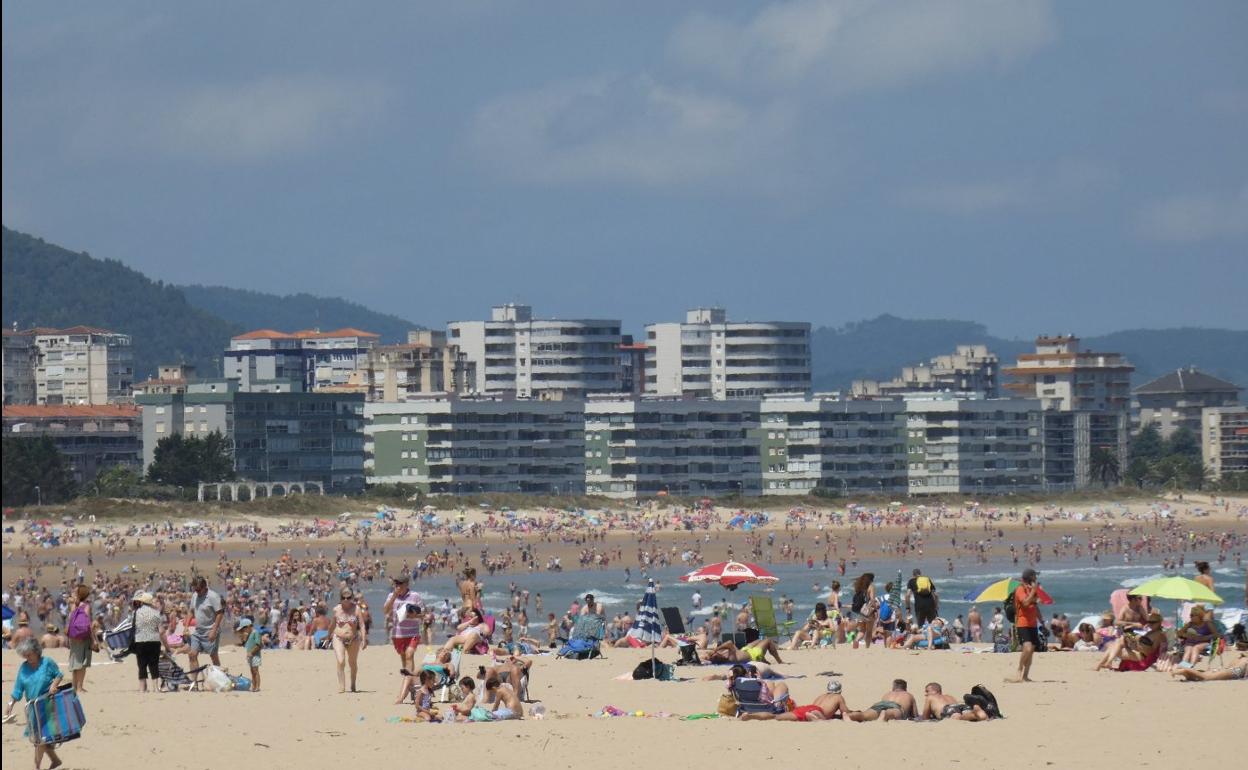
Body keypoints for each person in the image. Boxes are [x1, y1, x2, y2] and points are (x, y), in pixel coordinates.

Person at [3, 637, 66, 769]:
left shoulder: (47, 662)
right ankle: (55, 760)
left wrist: (54, 685)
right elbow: (18, 688)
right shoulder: (24, 667)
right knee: (41, 738)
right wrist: (10, 704)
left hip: (49, 705)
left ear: (37, 652)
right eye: (24, 655)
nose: (27, 657)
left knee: (41, 739)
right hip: (33, 708)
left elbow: (59, 674)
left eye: (29, 654)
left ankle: (36, 766)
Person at [740, 680, 850, 722]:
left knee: (775, 717)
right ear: (839, 691)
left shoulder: (822, 695)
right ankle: (814, 718)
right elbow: (845, 712)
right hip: (815, 711)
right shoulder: (838, 697)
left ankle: (751, 715)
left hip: (804, 708)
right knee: (822, 718)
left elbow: (814, 705)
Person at [1094, 610, 1166, 671]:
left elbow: (1150, 650)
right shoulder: (1151, 632)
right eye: (1149, 622)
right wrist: (1133, 639)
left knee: (1117, 643)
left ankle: (1104, 664)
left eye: (1153, 622)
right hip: (1138, 651)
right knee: (1119, 641)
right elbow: (1143, 642)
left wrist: (1136, 640)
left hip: (1142, 657)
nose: (1150, 624)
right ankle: (1105, 663)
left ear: (1159, 622)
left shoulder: (1160, 634)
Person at [383, 575, 423, 683]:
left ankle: (412, 683)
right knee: (404, 658)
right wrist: (394, 596)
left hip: (413, 632)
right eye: (396, 584)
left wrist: (413, 615)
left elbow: (423, 613)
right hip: (398, 634)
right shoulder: (391, 595)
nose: (398, 586)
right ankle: (411, 682)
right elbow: (385, 611)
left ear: (406, 584)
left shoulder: (415, 596)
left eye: (400, 584)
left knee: (409, 655)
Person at [1008, 569, 1042, 683]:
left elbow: (1035, 606)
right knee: (1027, 647)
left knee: (1031, 650)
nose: (1036, 579)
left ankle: (1025, 675)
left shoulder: (1031, 590)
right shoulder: (1020, 589)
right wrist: (1033, 591)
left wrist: (1041, 621)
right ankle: (1019, 669)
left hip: (1033, 623)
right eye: (1034, 577)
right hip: (1023, 623)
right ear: (1030, 578)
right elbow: (1025, 603)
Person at [331, 588, 366, 693]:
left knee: (352, 663)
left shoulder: (357, 609)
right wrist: (328, 635)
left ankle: (353, 684)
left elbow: (362, 625)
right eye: (343, 597)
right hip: (338, 638)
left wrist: (364, 639)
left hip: (354, 639)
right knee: (341, 661)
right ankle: (342, 686)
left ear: (352, 598)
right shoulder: (336, 609)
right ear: (340, 598)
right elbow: (332, 624)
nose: (346, 600)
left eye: (348, 597)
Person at [188, 575, 224, 671]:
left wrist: (214, 630)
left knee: (213, 656)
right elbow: (191, 611)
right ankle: (194, 683)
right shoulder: (195, 595)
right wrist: (185, 627)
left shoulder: (213, 596)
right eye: (195, 589)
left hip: (210, 630)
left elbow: (220, 613)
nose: (197, 592)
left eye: (199, 590)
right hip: (198, 632)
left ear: (205, 587)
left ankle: (220, 677)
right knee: (192, 655)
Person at [64, 585, 96, 693]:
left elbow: (70, 621)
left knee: (75, 662)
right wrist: (93, 639)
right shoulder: (86, 606)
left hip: (73, 636)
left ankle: (74, 687)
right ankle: (79, 687)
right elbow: (88, 624)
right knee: (82, 664)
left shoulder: (73, 606)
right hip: (83, 636)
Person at [131, 592, 165, 693]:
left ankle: (142, 688)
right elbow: (161, 631)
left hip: (140, 640)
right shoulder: (156, 613)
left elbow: (134, 626)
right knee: (154, 664)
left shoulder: (136, 612)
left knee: (142, 665)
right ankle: (155, 688)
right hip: (154, 640)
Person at [847, 679, 915, 722]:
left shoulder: (887, 694)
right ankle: (885, 714)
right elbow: (915, 715)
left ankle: (851, 715)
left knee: (864, 715)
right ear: (905, 688)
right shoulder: (909, 695)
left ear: (893, 687)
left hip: (881, 704)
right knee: (891, 712)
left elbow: (884, 705)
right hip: (896, 706)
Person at [919, 682, 990, 721]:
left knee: (958, 718)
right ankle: (976, 709)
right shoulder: (950, 696)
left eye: (927, 691)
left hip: (948, 709)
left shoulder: (930, 697)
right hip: (959, 706)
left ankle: (975, 713)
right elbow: (956, 706)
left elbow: (925, 717)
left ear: (935, 691)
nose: (926, 694)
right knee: (965, 715)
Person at [1171, 652, 1246, 682]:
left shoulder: (1242, 656)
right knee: (1206, 677)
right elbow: (1245, 674)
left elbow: (1230, 666)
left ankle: (1184, 668)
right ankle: (1185, 669)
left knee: (1205, 675)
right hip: (1236, 671)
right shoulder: (1244, 659)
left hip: (1232, 670)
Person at [850, 573, 877, 649]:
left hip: (859, 612)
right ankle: (867, 647)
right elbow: (872, 600)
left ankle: (856, 640)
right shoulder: (871, 587)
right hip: (867, 612)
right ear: (871, 579)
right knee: (869, 631)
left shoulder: (859, 587)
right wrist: (875, 608)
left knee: (862, 630)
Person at [237, 617, 263, 692]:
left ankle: (258, 686)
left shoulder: (255, 633)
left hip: (255, 655)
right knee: (252, 671)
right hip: (250, 655)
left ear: (248, 626)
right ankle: (254, 686)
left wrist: (251, 652)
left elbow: (258, 645)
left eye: (243, 629)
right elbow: (246, 643)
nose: (243, 631)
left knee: (255, 671)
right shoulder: (249, 634)